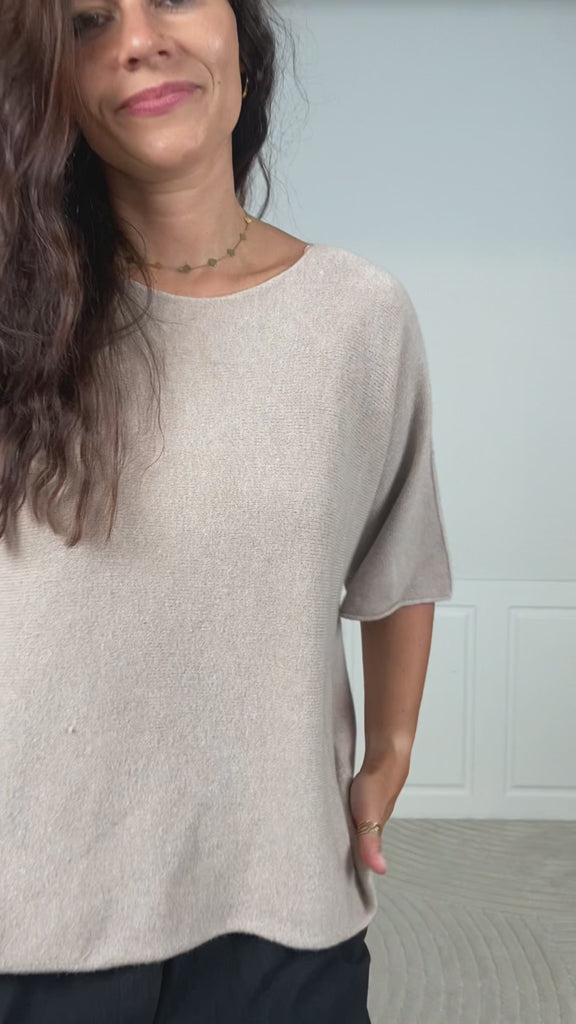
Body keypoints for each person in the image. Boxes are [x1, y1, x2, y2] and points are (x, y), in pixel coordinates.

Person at [0, 0, 453, 1021]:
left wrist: (389, 751)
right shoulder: (12, 315)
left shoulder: (358, 317)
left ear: (243, 50)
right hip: (33, 914)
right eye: (86, 23)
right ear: (55, 90)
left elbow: (401, 559)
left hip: (280, 902)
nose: (136, 39)